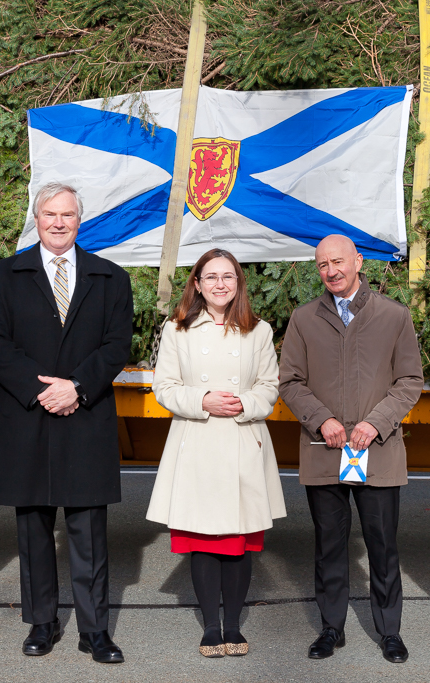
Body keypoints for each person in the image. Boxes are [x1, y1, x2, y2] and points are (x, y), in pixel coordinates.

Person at [0, 182, 133, 664]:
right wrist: (44, 390)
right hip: (29, 417)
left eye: (67, 214)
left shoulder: (111, 277)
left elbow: (116, 346)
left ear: (79, 220)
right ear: (37, 218)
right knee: (33, 531)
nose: (59, 222)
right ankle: (41, 624)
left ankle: (95, 631)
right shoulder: (5, 275)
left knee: (89, 533)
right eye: (50, 214)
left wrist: (77, 388)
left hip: (85, 416)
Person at [279, 234, 422, 664]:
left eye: (338, 262)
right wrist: (321, 418)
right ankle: (331, 628)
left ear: (359, 261)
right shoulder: (303, 319)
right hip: (325, 448)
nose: (331, 271)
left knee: (382, 544)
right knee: (328, 543)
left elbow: (409, 382)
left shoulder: (394, 317)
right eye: (323, 265)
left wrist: (374, 423)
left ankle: (389, 631)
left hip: (376, 450)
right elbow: (290, 382)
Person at [146, 248, 286, 659]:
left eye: (228, 276)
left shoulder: (258, 331)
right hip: (198, 438)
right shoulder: (177, 329)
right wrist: (203, 399)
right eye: (211, 277)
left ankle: (234, 624)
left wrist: (243, 404)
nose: (220, 284)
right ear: (197, 284)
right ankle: (211, 626)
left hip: (243, 439)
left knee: (238, 539)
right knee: (204, 538)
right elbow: (165, 387)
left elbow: (269, 386)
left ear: (239, 283)